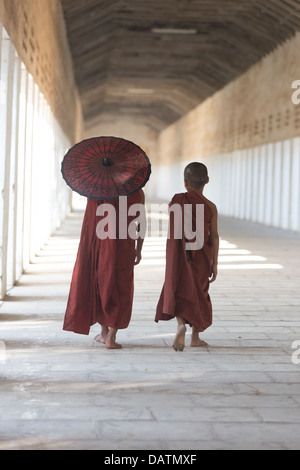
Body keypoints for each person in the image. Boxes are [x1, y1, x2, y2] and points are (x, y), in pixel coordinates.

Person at [63, 190, 146, 349]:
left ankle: (103, 332)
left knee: (101, 284)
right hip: (125, 246)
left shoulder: (95, 189)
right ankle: (111, 336)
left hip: (100, 246)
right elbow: (141, 222)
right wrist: (139, 248)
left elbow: (91, 222)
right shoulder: (136, 190)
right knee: (122, 288)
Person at [155, 163, 219, 351]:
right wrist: (215, 263)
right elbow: (214, 236)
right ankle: (195, 337)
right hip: (201, 256)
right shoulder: (210, 207)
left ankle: (181, 325)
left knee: (179, 288)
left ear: (185, 182)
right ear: (207, 180)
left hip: (177, 254)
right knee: (199, 291)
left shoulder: (176, 201)